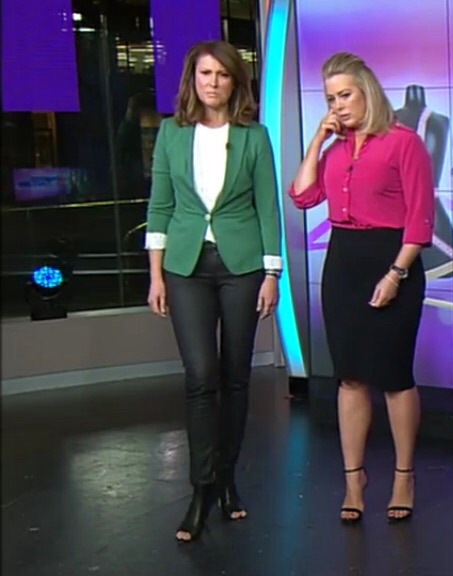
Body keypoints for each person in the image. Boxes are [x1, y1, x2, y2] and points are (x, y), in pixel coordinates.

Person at [288, 52, 434, 524]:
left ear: (367, 91)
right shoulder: (334, 150)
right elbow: (303, 195)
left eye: (345, 95)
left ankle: (403, 476)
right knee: (349, 376)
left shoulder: (403, 142)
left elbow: (420, 222)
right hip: (343, 263)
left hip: (392, 260)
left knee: (393, 376)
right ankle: (354, 480)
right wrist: (318, 139)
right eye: (330, 99)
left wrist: (395, 275)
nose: (338, 105)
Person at [144, 40, 282, 542]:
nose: (213, 82)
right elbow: (160, 206)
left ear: (234, 82)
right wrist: (156, 275)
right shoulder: (171, 133)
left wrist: (272, 274)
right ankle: (201, 488)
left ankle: (227, 480)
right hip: (185, 267)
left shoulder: (254, 136)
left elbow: (267, 207)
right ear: (193, 79)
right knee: (201, 375)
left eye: (223, 74)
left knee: (235, 377)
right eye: (205, 73)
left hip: (242, 266)